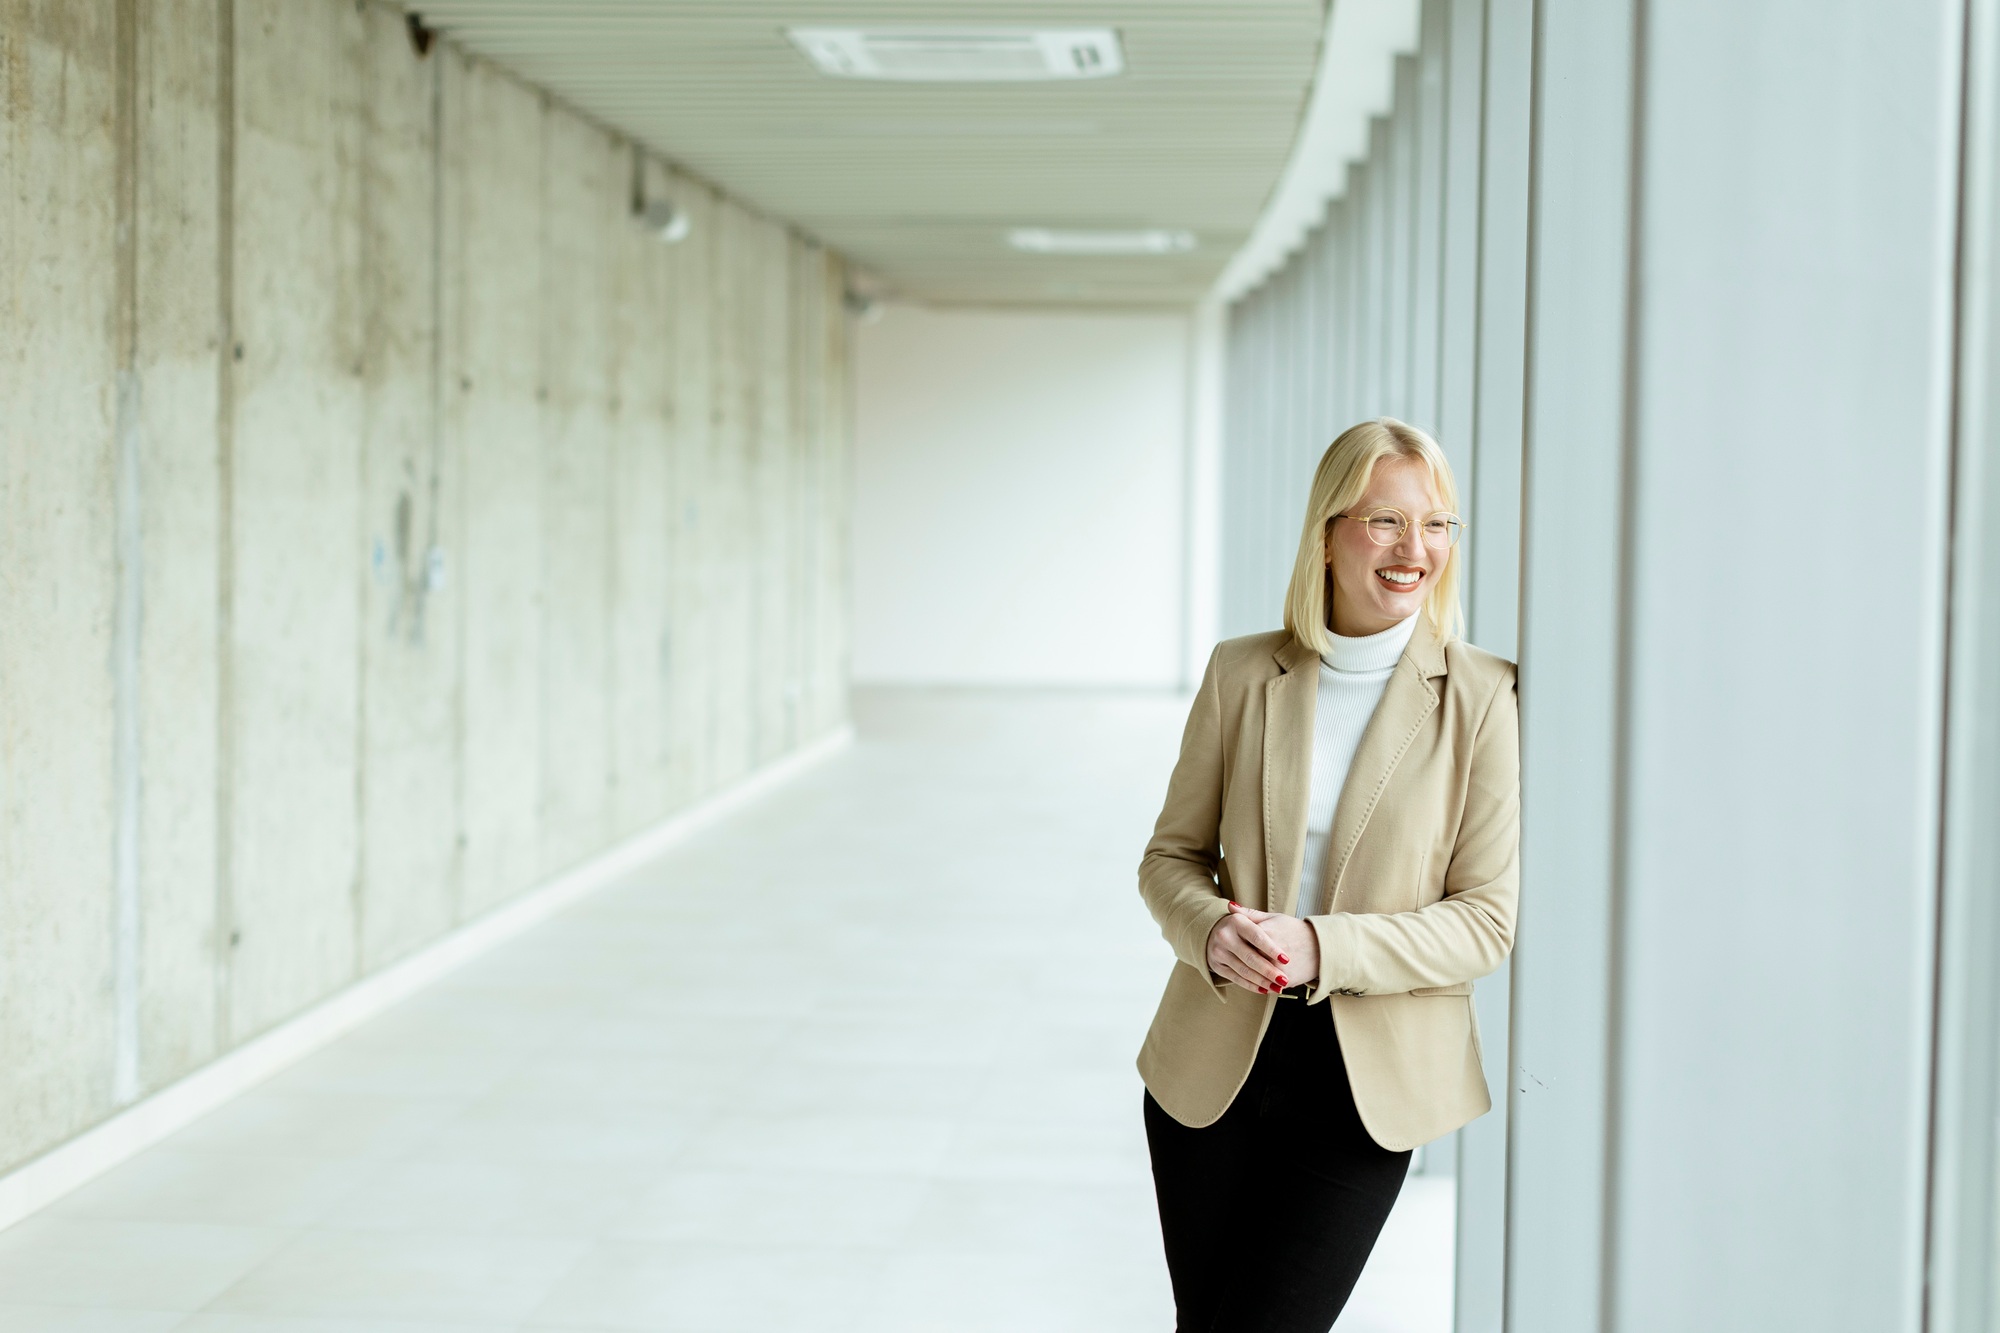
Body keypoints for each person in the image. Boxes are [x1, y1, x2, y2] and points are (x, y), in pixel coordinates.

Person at [1136, 417, 1521, 1333]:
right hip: (1210, 1061)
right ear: (1327, 532)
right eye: (1385, 520)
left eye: (1437, 525)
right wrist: (1209, 926)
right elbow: (1170, 857)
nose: (1413, 549)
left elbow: (1485, 919)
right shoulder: (1243, 673)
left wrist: (1318, 944)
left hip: (1365, 1084)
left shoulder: (1482, 697)